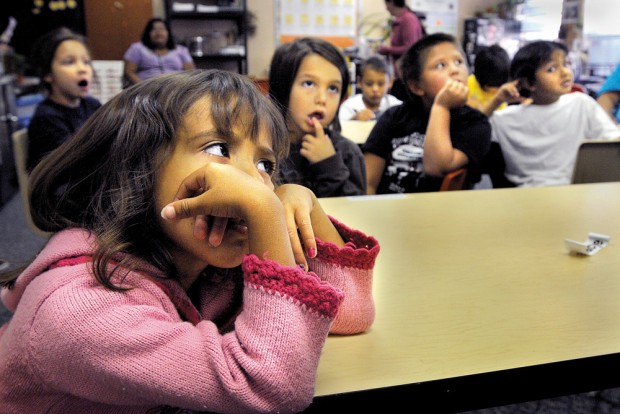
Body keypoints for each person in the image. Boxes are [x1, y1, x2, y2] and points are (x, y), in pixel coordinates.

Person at [0, 70, 380, 413]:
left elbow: (349, 315)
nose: (254, 181)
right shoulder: (78, 309)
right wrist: (265, 210)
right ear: (139, 166)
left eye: (266, 165)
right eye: (219, 149)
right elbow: (271, 388)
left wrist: (307, 205)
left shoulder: (204, 265)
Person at [363, 33, 491, 194]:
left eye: (459, 62)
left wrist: (441, 106)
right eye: (440, 65)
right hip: (388, 209)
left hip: (441, 214)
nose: (454, 70)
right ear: (416, 86)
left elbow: (436, 167)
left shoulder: (475, 123)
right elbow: (368, 182)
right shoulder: (394, 117)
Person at [486, 40, 620, 187]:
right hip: (527, 194)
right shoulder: (505, 118)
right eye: (551, 69)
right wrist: (496, 100)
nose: (565, 72)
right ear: (528, 83)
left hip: (576, 190)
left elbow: (613, 139)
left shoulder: (581, 104)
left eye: (566, 64)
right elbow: (471, 132)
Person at [268, 37, 367, 197]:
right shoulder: (263, 149)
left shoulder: (348, 153)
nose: (322, 98)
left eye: (333, 88)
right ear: (283, 87)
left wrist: (329, 164)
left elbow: (354, 213)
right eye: (309, 84)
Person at [26, 27, 101, 171]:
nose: (82, 69)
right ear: (48, 74)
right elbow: (72, 166)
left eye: (86, 62)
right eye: (69, 62)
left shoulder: (92, 105)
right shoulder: (47, 118)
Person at [377, 0, 425, 102]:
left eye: (387, 5)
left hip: (407, 75)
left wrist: (387, 50)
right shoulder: (400, 20)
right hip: (400, 74)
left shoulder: (408, 19)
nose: (386, 8)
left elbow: (410, 47)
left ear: (392, 3)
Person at [123, 17, 194, 85]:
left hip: (176, 89)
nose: (158, 32)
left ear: (168, 33)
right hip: (146, 90)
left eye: (162, 29)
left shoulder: (181, 50)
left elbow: (191, 73)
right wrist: (143, 87)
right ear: (148, 33)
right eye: (154, 29)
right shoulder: (137, 48)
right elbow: (129, 72)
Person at [339, 55, 402, 122]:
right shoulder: (349, 107)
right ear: (360, 82)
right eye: (369, 84)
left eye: (381, 84)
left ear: (390, 82)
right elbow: (338, 129)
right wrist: (354, 119)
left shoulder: (396, 107)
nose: (375, 89)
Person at [467, 44, 512, 114]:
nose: (494, 91)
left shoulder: (504, 95)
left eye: (499, 87)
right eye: (489, 87)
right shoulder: (467, 83)